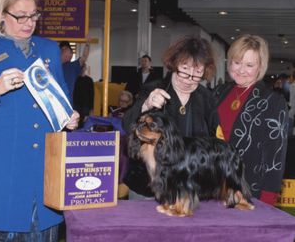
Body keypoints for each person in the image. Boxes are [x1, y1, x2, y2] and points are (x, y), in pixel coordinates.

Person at [0, 0, 79, 241]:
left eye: (34, 15)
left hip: (45, 171)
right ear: (2, 16)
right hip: (4, 174)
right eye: (21, 16)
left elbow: (62, 102)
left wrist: (69, 117)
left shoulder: (48, 49)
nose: (29, 22)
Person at [122, 36, 219, 199]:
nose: (189, 79)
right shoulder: (152, 89)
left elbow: (213, 140)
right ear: (174, 64)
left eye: (197, 73)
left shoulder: (207, 98)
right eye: (185, 69)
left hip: (191, 188)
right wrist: (146, 106)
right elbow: (127, 125)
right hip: (148, 189)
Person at [213, 34, 288, 206]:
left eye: (249, 65)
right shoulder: (218, 93)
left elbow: (275, 156)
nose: (241, 70)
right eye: (237, 62)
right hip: (211, 186)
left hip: (249, 191)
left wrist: (267, 200)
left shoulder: (273, 101)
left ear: (260, 67)